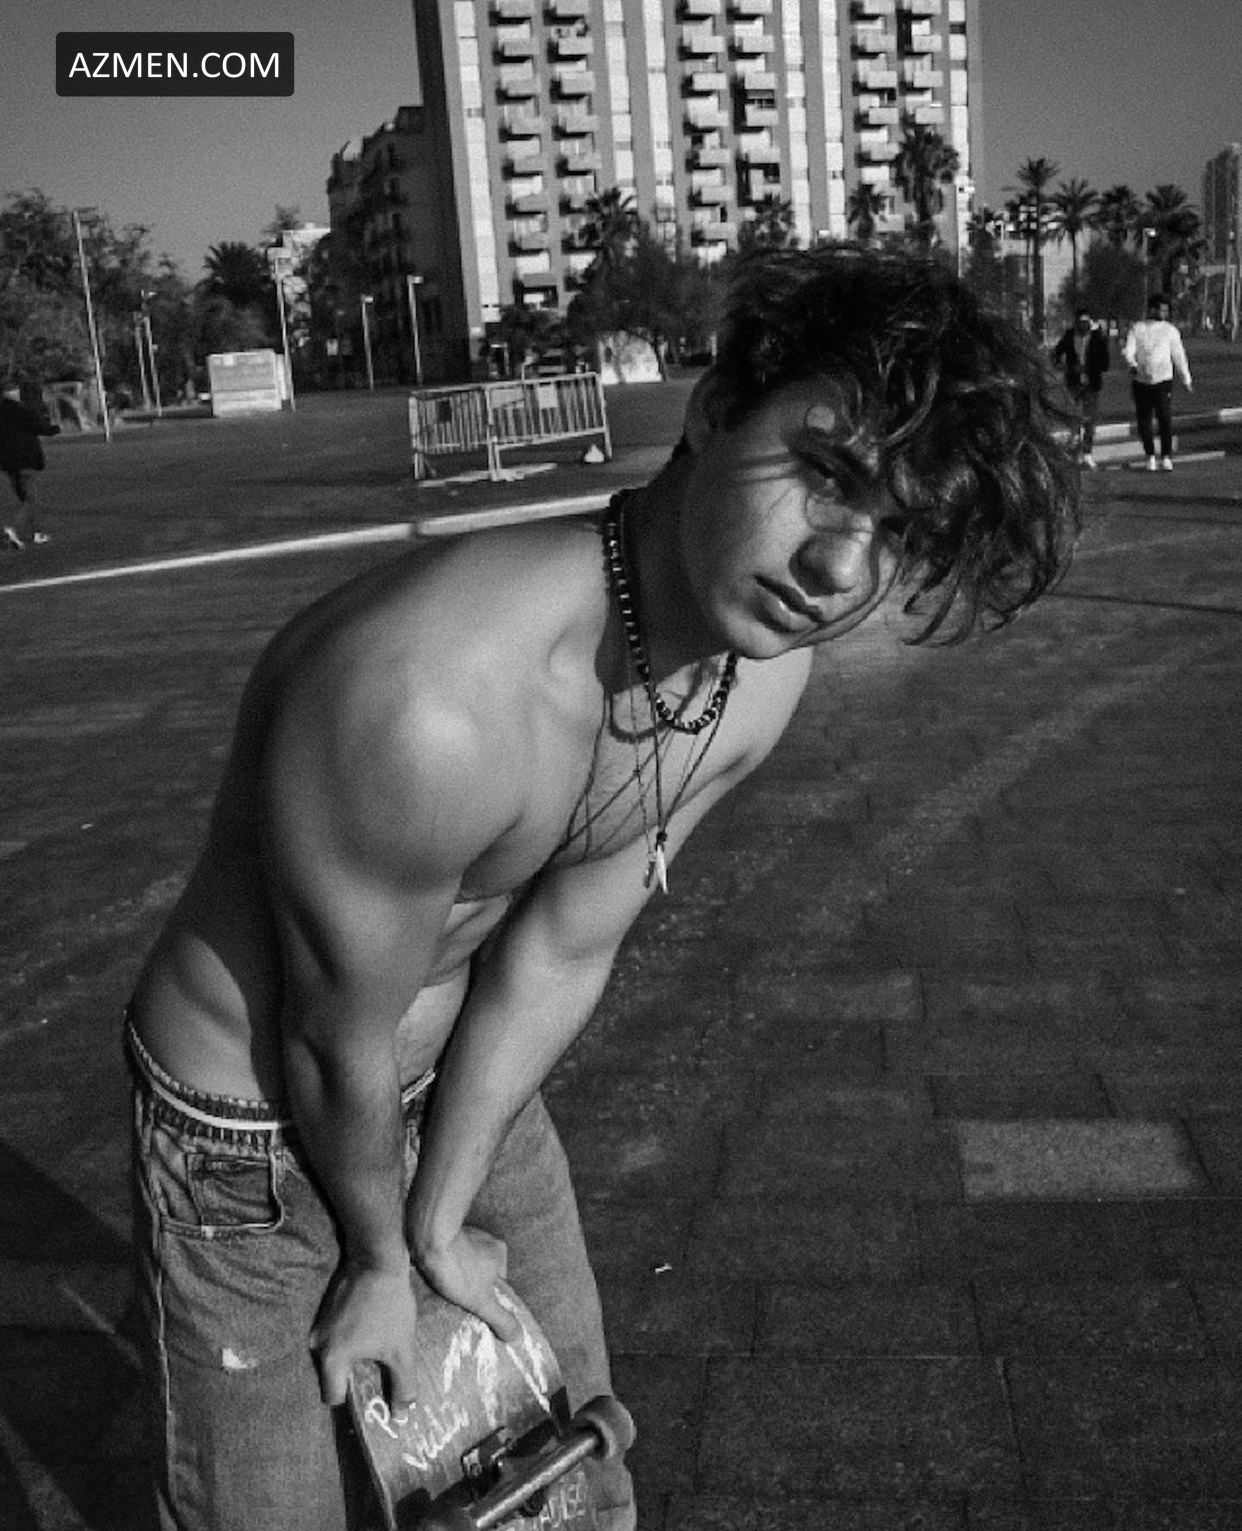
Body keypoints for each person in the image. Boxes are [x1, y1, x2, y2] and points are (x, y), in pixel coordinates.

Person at [125, 245, 1080, 1531]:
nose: (839, 572)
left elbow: (562, 949)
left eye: (898, 530)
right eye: (826, 473)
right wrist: (384, 1257)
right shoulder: (430, 699)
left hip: (462, 1073)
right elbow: (323, 1035)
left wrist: (443, 1212)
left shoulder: (758, 672)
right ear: (716, 410)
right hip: (248, 1131)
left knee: (568, 1485)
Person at [1123, 292, 1193, 470]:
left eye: (1166, 311)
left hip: (1163, 381)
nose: (1164, 313)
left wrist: (1186, 378)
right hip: (1141, 381)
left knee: (1164, 418)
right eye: (1161, 310)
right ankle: (1150, 456)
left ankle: (1166, 456)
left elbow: (1178, 355)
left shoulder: (1170, 330)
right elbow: (1129, 350)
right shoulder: (1138, 328)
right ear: (1152, 310)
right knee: (1144, 420)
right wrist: (1132, 364)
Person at [0, 382, 60, 549]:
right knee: (30, 499)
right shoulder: (23, 411)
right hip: (26, 460)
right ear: (15, 393)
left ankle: (37, 532)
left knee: (24, 497)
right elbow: (43, 428)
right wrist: (55, 427)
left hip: (7, 463)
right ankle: (13, 528)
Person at [1051, 306, 1111, 468]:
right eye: (1080, 322)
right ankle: (1075, 453)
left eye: (1086, 322)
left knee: (1090, 420)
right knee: (1073, 418)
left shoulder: (1098, 338)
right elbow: (1056, 355)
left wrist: (1089, 368)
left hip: (1091, 384)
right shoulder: (1069, 336)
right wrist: (1067, 368)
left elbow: (1105, 363)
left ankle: (1087, 453)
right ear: (1075, 323)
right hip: (1073, 383)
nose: (1083, 325)